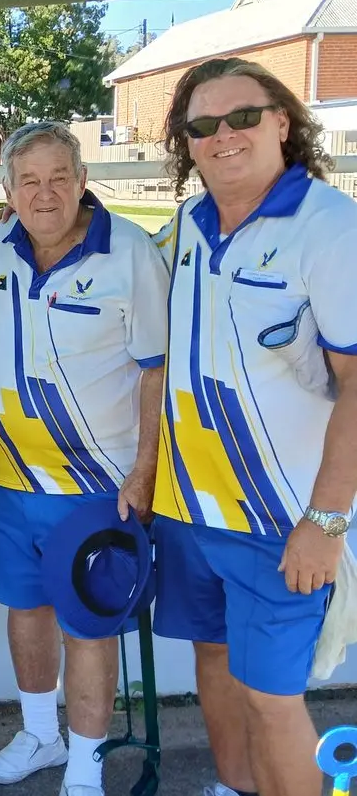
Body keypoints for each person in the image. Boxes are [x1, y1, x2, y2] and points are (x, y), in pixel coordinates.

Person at [150, 57, 357, 796]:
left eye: (242, 116)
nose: (223, 135)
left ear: (282, 122)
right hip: (189, 510)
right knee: (213, 664)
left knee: (273, 699)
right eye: (203, 125)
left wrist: (325, 521)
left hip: (281, 520)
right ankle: (233, 788)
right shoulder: (188, 224)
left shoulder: (329, 227)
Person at [0, 122, 169, 796]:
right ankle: (41, 735)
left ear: (82, 181)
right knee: (26, 609)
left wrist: (145, 469)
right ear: (8, 192)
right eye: (29, 181)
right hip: (5, 478)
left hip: (98, 485)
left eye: (58, 178)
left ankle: (85, 764)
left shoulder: (131, 251)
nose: (44, 193)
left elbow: (156, 371)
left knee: (87, 625)